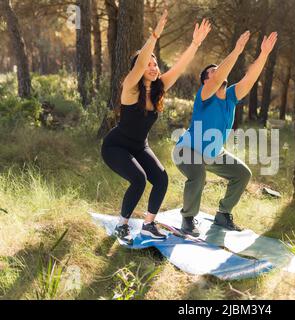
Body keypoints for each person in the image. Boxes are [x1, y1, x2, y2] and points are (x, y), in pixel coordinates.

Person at [101, 10, 211, 245]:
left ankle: (149, 224)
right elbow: (140, 63)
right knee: (139, 179)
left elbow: (180, 66)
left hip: (140, 146)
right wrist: (154, 36)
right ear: (139, 69)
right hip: (116, 146)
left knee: (161, 179)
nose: (153, 66)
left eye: (155, 64)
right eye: (148, 64)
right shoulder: (130, 87)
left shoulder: (159, 88)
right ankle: (122, 225)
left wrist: (195, 43)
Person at [172, 31, 278, 237]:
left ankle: (223, 214)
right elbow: (219, 76)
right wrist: (237, 50)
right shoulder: (204, 96)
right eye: (214, 72)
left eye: (220, 70)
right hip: (187, 150)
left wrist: (264, 54)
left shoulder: (230, 97)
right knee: (197, 175)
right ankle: (187, 218)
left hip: (213, 153)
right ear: (206, 81)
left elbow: (249, 78)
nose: (220, 73)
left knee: (242, 173)